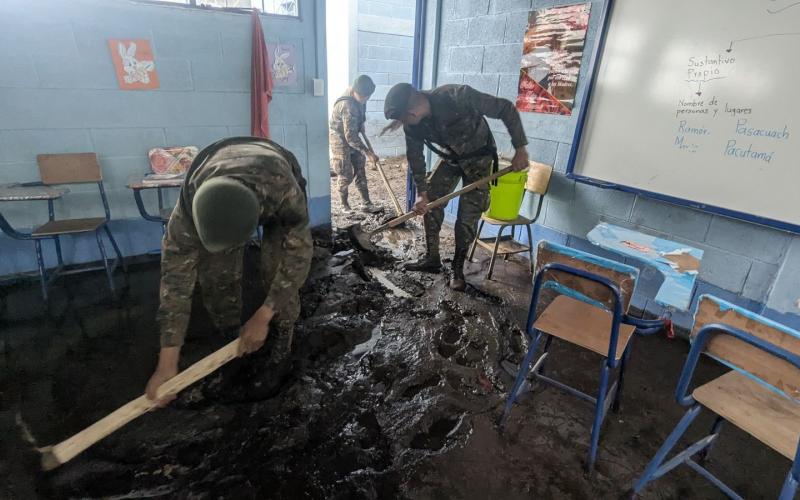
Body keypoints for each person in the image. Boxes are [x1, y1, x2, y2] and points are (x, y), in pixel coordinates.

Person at [145, 137, 313, 405]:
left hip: (275, 176)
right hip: (217, 168)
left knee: (275, 269)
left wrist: (264, 314)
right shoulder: (189, 209)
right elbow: (175, 281)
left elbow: (298, 256)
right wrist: (167, 361)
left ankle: (282, 346)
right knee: (216, 276)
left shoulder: (284, 193)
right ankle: (230, 340)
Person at [383, 83, 529, 291]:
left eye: (403, 119)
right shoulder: (413, 125)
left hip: (479, 160)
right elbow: (415, 158)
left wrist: (520, 149)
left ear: (412, 112)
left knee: (467, 217)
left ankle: (457, 269)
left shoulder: (457, 96)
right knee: (431, 204)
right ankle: (432, 258)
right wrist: (421, 194)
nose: (403, 124)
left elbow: (505, 108)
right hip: (450, 159)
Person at [329, 74, 381, 213]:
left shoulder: (361, 97)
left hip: (352, 133)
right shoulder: (347, 105)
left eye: (367, 97)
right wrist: (368, 153)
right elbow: (350, 137)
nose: (365, 99)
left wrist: (361, 124)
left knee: (360, 168)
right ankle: (344, 205)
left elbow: (360, 114)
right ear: (354, 91)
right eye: (363, 96)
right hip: (339, 137)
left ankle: (366, 203)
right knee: (345, 173)